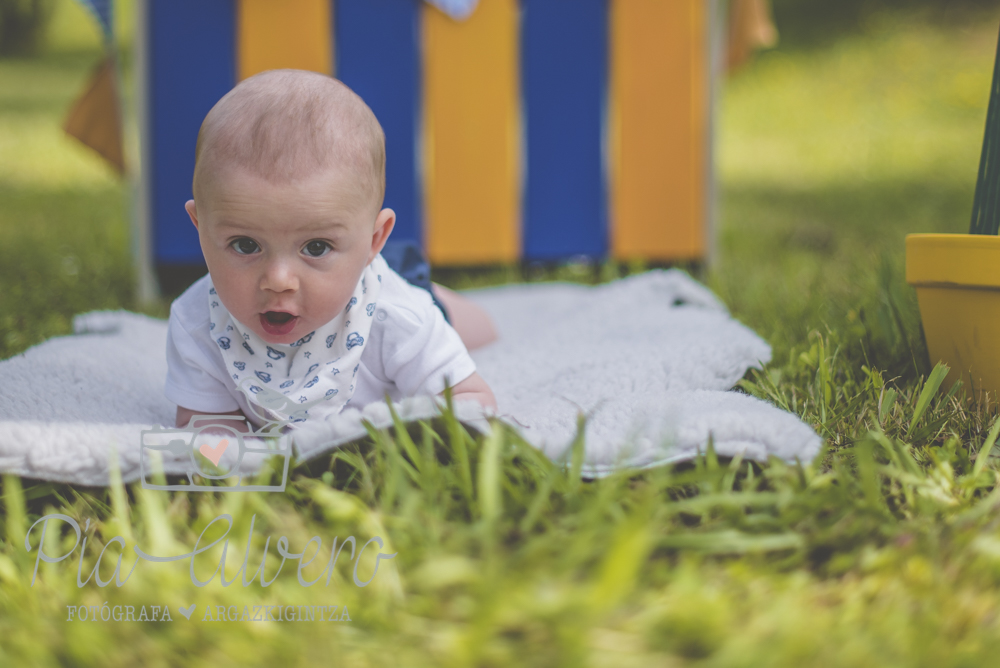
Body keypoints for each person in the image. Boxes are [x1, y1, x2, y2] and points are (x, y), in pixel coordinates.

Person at [164, 69, 497, 431]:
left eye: (316, 247)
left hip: (384, 291)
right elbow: (205, 423)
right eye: (246, 245)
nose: (278, 280)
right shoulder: (197, 324)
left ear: (374, 240)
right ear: (201, 228)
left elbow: (472, 400)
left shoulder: (399, 318)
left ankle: (439, 296)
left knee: (476, 328)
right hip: (349, 272)